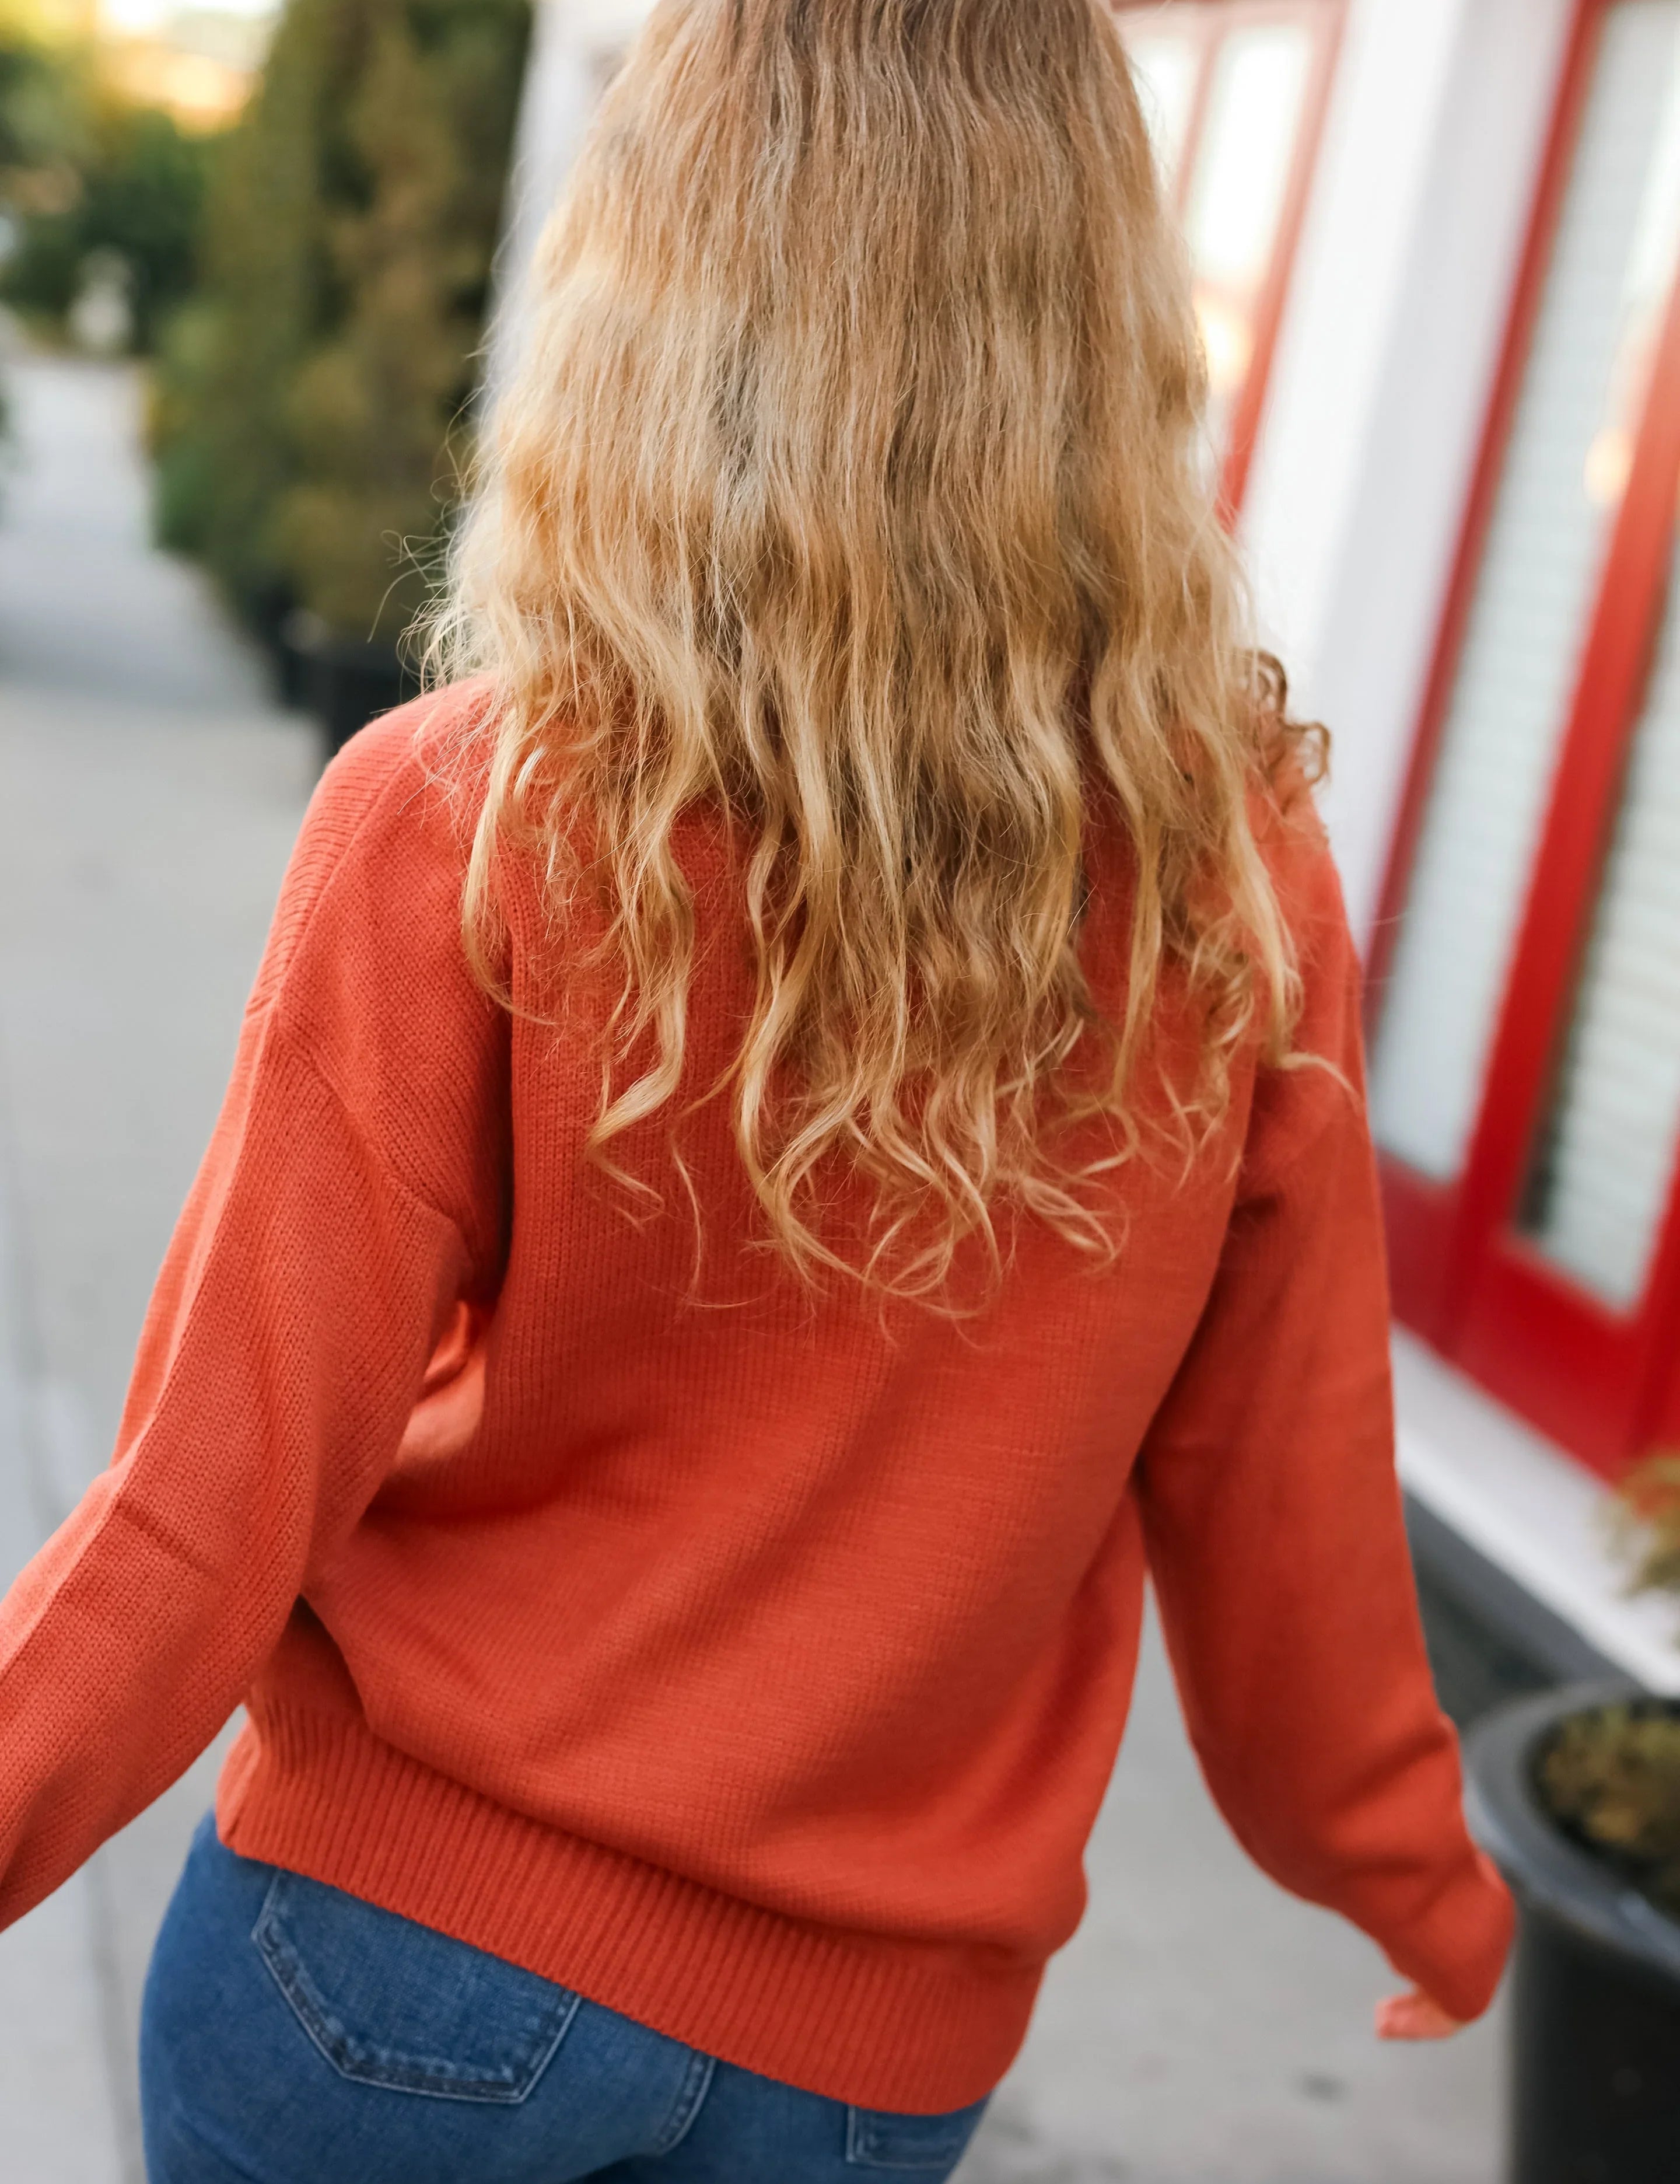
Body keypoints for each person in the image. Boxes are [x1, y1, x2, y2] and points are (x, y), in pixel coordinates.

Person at [0, 2, 1512, 2179]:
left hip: (392, 1969)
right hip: (862, 2070)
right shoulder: (1234, 888)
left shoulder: (471, 811)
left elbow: (205, 1504)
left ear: (663, 273)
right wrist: (1418, 1881)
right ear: (1099, 320)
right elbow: (1288, 1507)